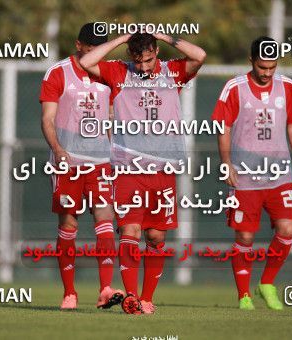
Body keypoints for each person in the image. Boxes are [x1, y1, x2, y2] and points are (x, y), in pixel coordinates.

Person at [80, 32, 206, 314]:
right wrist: (120, 39)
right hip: (129, 168)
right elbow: (87, 61)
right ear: (131, 57)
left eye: (149, 60)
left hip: (163, 168)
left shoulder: (172, 72)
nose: (145, 67)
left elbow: (200, 56)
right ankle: (132, 298)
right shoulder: (118, 72)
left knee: (156, 237)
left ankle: (148, 297)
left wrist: (163, 36)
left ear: (155, 53)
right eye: (139, 61)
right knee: (130, 230)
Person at [212, 36, 292, 310]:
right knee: (245, 237)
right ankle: (243, 294)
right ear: (251, 61)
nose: (267, 73)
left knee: (287, 227)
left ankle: (267, 282)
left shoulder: (287, 86)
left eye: (272, 67)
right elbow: (223, 127)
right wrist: (226, 163)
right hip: (244, 176)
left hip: (280, 175)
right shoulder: (234, 87)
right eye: (262, 66)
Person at [39, 23, 123, 310]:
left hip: (100, 162)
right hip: (68, 162)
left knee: (105, 219)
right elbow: (47, 118)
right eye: (90, 45)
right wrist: (58, 150)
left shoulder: (109, 73)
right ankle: (70, 293)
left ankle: (105, 288)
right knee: (68, 223)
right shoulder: (58, 72)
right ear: (79, 45)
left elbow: (112, 117)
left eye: (100, 45)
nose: (94, 50)